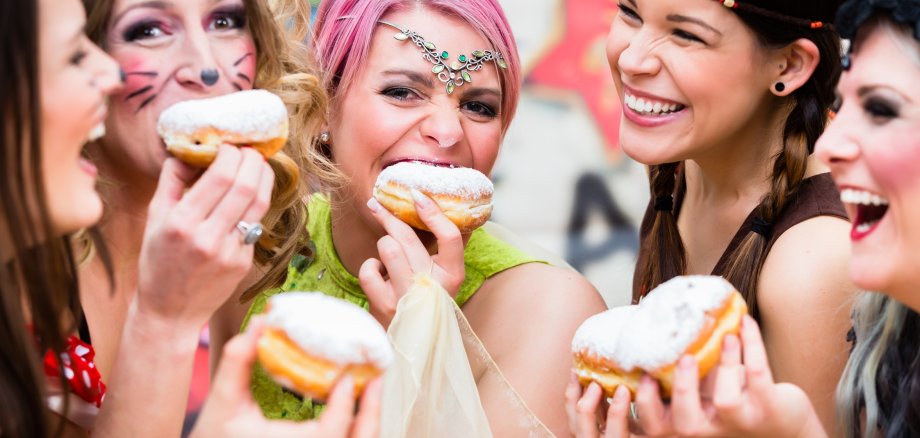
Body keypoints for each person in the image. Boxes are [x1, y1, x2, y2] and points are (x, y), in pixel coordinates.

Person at [206, 0, 607, 435]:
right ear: (323, 104)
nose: (448, 131)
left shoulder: (550, 311)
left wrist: (416, 336)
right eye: (402, 92)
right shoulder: (257, 254)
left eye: (478, 106)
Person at [1, 0, 380, 437]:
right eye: (148, 30)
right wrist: (164, 324)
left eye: (226, 21)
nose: (206, 68)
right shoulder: (22, 268)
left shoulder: (237, 251)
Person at [567, 1, 920, 436]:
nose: (631, 58)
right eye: (629, 11)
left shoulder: (811, 264)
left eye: (686, 35)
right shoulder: (684, 164)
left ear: (788, 65)